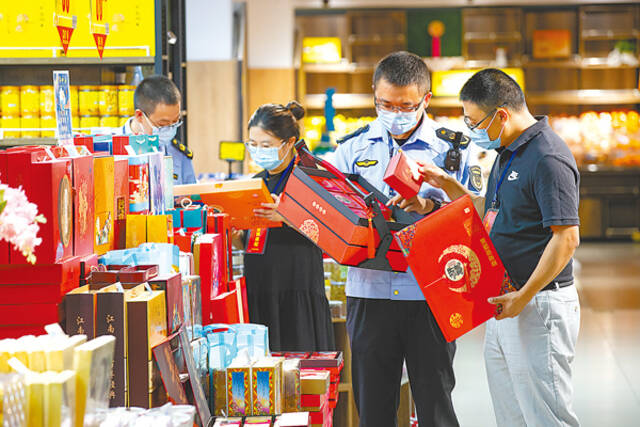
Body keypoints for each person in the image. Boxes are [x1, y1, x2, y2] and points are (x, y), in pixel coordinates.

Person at [418, 68, 581, 427]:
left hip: (537, 304)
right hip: (506, 303)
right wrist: (449, 187)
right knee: (512, 416)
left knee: (546, 416)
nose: (472, 131)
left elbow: (566, 237)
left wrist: (523, 296)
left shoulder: (547, 157)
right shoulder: (509, 152)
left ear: (502, 115)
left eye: (475, 122)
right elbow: (491, 211)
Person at [332, 51, 481, 427]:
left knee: (435, 405)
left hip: (430, 294)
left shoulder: (455, 149)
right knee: (373, 409)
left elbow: (478, 218)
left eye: (406, 105)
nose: (395, 112)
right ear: (374, 96)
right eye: (384, 103)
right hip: (369, 293)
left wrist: (429, 206)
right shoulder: (352, 148)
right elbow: (331, 209)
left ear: (425, 100)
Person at [235, 101, 335, 352]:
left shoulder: (310, 179)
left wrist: (287, 216)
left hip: (297, 292)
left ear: (288, 143)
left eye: (266, 145)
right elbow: (248, 240)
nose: (258, 151)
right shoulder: (254, 184)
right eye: (253, 145)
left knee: (301, 374)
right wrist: (234, 235)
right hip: (259, 290)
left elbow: (330, 233)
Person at [120, 75, 196, 185]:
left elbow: (193, 196)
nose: (169, 130)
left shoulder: (179, 155)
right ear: (140, 116)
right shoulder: (109, 149)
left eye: (175, 122)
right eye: (162, 124)